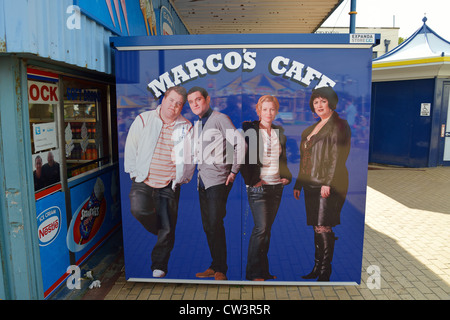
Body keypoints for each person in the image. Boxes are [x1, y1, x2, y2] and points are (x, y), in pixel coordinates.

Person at [124, 86, 195, 278]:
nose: (174, 106)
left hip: (169, 183)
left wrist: (182, 178)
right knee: (138, 209)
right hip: (143, 179)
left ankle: (159, 265)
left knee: (168, 226)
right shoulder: (144, 120)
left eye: (179, 103)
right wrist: (133, 172)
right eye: (171, 100)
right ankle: (161, 230)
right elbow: (131, 146)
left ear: (182, 107)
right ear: (163, 100)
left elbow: (190, 156)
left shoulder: (186, 126)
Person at [187, 86, 246, 281]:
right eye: (191, 101)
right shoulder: (198, 123)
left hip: (219, 180)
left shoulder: (219, 119)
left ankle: (222, 269)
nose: (195, 104)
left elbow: (240, 143)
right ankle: (214, 265)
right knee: (208, 226)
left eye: (198, 100)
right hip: (202, 181)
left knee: (215, 223)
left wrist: (234, 170)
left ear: (207, 99)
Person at [293, 86, 351, 281]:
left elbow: (337, 156)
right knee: (316, 227)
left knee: (324, 226)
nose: (318, 105)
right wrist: (298, 184)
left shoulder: (339, 125)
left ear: (331, 103)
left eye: (323, 101)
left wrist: (328, 182)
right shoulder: (311, 128)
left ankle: (325, 271)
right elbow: (305, 159)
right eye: (316, 102)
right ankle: (317, 267)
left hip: (328, 184)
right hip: (310, 184)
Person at [241, 95, 292, 281]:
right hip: (258, 189)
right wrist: (253, 180)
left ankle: (263, 271)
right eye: (265, 109)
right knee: (260, 229)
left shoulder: (279, 131)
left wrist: (286, 177)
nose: (268, 113)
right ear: (258, 111)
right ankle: (253, 273)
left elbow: (283, 159)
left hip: (276, 187)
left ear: (276, 111)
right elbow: (239, 157)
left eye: (272, 109)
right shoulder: (250, 130)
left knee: (267, 231)